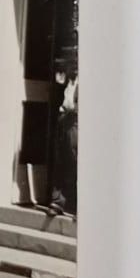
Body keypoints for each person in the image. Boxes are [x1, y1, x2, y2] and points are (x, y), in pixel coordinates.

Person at [49, 54, 78, 217]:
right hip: (64, 119)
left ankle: (75, 203)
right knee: (61, 160)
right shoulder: (68, 79)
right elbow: (58, 84)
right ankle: (57, 201)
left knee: (75, 160)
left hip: (76, 120)